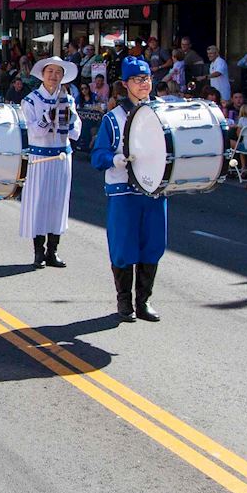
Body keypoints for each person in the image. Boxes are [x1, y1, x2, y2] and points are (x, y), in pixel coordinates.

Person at [91, 57, 164, 323]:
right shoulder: (113, 118)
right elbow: (97, 156)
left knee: (152, 245)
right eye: (137, 79)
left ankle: (143, 301)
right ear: (125, 84)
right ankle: (124, 301)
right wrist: (114, 159)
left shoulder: (161, 113)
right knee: (123, 248)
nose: (144, 84)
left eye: (147, 79)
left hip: (153, 191)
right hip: (123, 191)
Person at [20, 57, 82, 268]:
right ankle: (38, 251)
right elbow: (31, 132)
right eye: (50, 71)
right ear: (42, 74)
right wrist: (47, 118)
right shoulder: (30, 100)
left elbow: (75, 132)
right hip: (40, 156)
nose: (54, 76)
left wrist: (69, 118)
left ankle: (52, 250)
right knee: (38, 202)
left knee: (58, 202)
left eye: (58, 72)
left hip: (62, 155)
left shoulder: (68, 100)